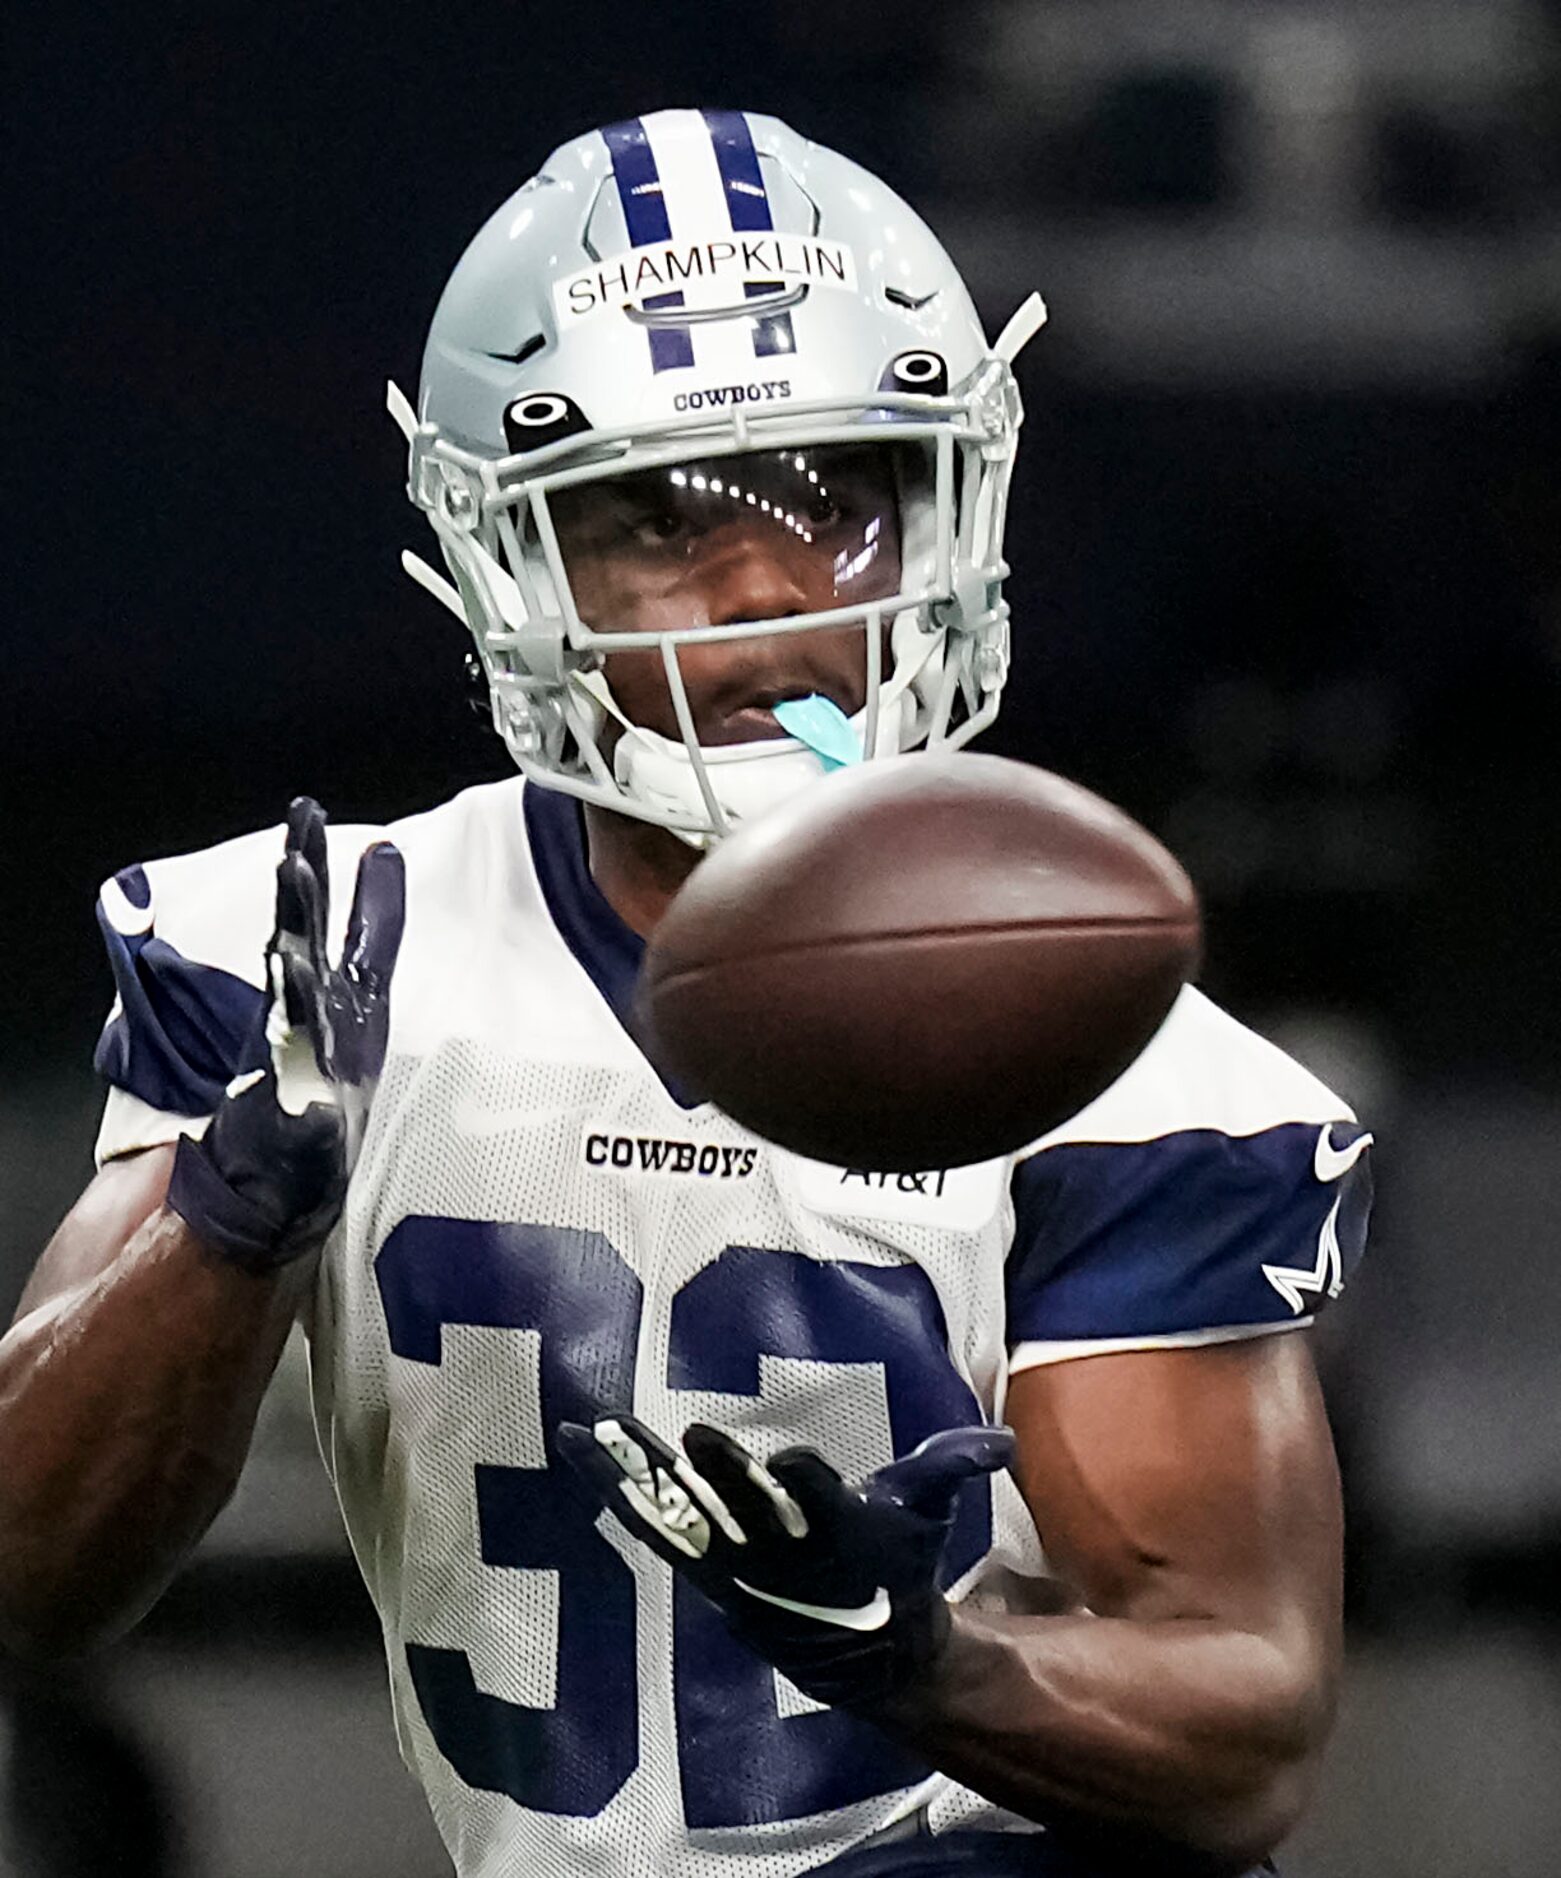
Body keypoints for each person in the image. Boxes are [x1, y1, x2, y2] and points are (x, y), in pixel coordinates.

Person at [0, 111, 1371, 1877]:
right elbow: (35, 1574)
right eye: (655, 520)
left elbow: (1242, 1726)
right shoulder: (324, 959)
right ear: (504, 560)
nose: (771, 595)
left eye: (841, 500)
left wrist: (922, 1657)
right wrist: (229, 1209)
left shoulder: (1108, 1058)